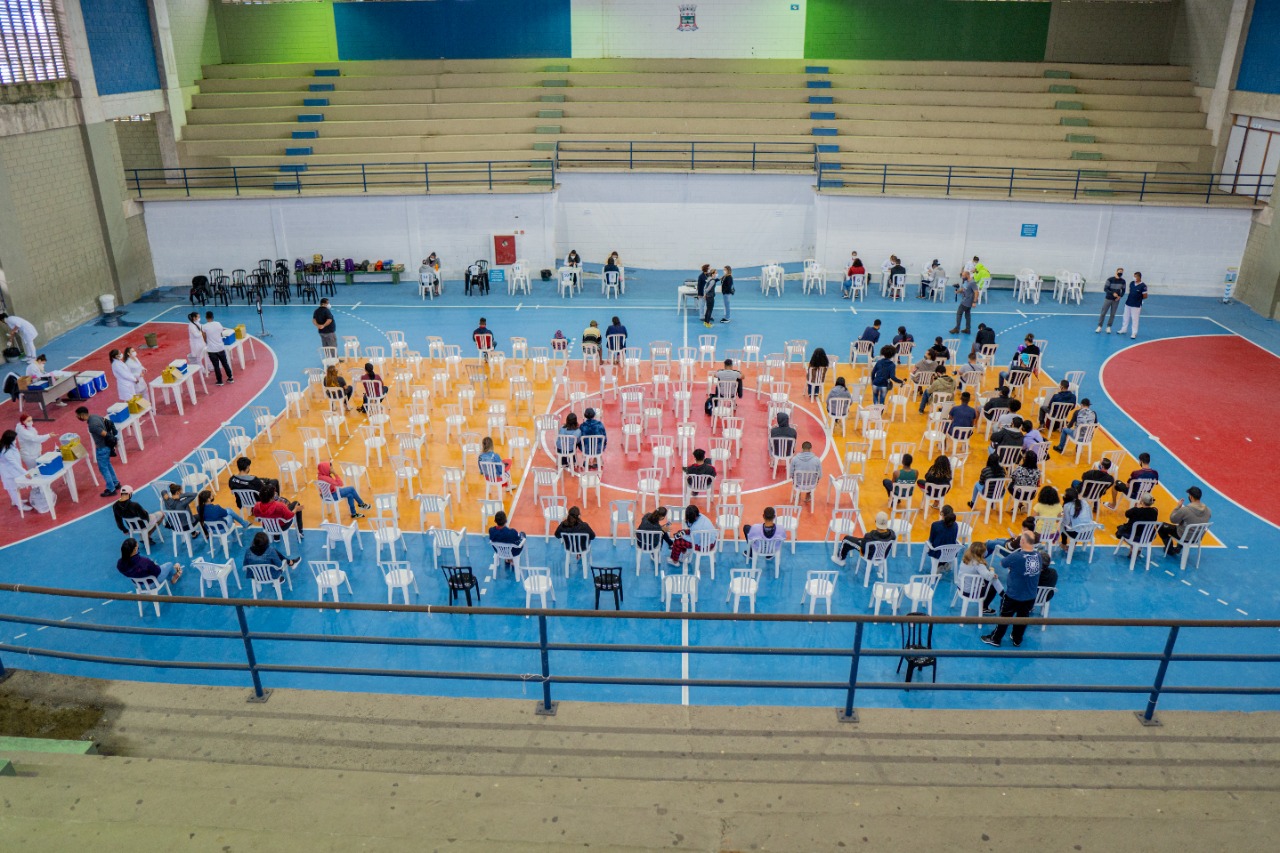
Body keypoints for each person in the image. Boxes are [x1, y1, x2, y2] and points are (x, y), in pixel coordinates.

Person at [981, 532, 1044, 647]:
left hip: (1014, 595)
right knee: (1023, 618)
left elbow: (1003, 563)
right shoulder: (1038, 556)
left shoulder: (1016, 556)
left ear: (1023, 542)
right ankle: (1017, 638)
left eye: (1020, 539)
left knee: (1005, 617)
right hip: (1030, 596)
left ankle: (995, 639)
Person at [75, 406, 119, 497]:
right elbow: (109, 422)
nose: (77, 418)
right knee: (108, 465)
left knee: (103, 469)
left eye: (78, 416)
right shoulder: (96, 416)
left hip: (102, 448)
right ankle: (116, 482)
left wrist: (114, 441)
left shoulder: (92, 426)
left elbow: (105, 434)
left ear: (82, 415)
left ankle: (111, 489)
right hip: (106, 447)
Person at [1158, 486, 1211, 555]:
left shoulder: (1185, 510)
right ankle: (1178, 548)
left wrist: (1178, 507)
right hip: (1197, 537)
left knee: (1160, 526)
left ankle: (1169, 550)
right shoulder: (1208, 510)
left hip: (1184, 536)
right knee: (1184, 526)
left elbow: (1173, 519)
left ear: (1191, 497)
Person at [956, 542, 1000, 614]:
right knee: (993, 587)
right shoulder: (979, 564)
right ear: (981, 554)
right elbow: (988, 577)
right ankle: (984, 607)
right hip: (971, 592)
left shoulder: (966, 558)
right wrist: (992, 571)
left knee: (986, 581)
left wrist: (988, 573)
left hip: (961, 586)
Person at [117, 537, 181, 586]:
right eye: (137, 545)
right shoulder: (144, 561)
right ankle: (174, 577)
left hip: (138, 584)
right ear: (135, 549)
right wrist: (154, 565)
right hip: (152, 583)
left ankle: (172, 575)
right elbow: (157, 572)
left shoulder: (119, 564)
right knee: (169, 564)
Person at [0, 429, 31, 513]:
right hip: (9, 473)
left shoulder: (9, 446)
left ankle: (16, 501)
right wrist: (26, 473)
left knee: (13, 488)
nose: (15, 440)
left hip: (11, 471)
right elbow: (15, 464)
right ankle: (20, 506)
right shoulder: (7, 452)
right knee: (13, 489)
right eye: (14, 439)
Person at [202, 311, 234, 386]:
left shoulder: (204, 326)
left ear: (206, 318)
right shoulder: (218, 324)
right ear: (213, 317)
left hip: (211, 349)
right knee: (225, 363)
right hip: (220, 347)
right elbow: (221, 333)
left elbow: (204, 337)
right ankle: (230, 377)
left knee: (216, 366)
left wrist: (207, 342)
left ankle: (220, 381)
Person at [1116, 271, 1148, 339]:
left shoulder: (1143, 286)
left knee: (1135, 319)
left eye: (1135, 276)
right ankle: (1124, 329)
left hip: (1136, 305)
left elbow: (1145, 296)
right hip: (1128, 303)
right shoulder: (1131, 283)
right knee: (1125, 317)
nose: (1134, 277)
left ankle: (1134, 333)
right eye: (1134, 276)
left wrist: (1138, 299)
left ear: (1139, 277)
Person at [1096, 267, 1126, 333]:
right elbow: (1105, 289)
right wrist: (1112, 293)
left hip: (1116, 300)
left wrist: (1120, 296)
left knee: (1113, 314)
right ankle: (1099, 326)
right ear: (1116, 271)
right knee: (1103, 313)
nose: (1120, 273)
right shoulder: (1110, 279)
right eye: (1119, 271)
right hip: (1108, 299)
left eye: (1121, 272)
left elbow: (1123, 290)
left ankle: (1108, 327)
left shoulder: (1123, 281)